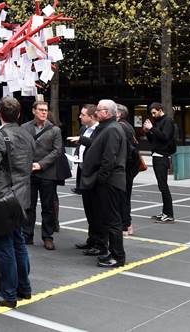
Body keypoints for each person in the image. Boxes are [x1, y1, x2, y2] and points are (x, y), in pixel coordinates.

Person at [0, 96, 33, 308]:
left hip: (4, 196)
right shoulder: (27, 135)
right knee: (18, 242)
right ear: (19, 115)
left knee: (5, 245)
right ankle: (24, 287)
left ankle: (8, 294)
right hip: (22, 195)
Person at [81, 100, 127, 268]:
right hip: (107, 181)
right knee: (108, 219)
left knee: (113, 220)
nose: (96, 113)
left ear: (107, 113)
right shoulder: (107, 128)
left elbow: (109, 159)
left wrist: (100, 179)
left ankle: (117, 256)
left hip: (110, 182)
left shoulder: (113, 129)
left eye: (99, 110)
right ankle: (112, 253)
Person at [21, 100, 62, 249]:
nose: (44, 112)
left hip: (47, 173)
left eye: (45, 110)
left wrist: (41, 164)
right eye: (41, 110)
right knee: (28, 206)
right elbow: (20, 147)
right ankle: (27, 235)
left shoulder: (54, 130)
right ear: (33, 111)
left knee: (48, 207)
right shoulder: (24, 128)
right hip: (29, 172)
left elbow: (57, 151)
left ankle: (47, 237)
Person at [71, 104, 102, 253]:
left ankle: (99, 243)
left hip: (94, 176)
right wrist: (77, 154)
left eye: (83, 115)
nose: (80, 117)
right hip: (83, 171)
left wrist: (81, 140)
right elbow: (81, 146)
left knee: (97, 210)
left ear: (91, 116)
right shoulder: (84, 130)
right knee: (88, 209)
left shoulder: (100, 130)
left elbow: (96, 146)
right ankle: (91, 240)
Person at [143, 102, 177, 223]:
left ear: (160, 110)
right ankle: (165, 212)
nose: (153, 115)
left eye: (154, 112)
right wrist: (148, 132)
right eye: (151, 113)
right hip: (157, 154)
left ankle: (169, 214)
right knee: (162, 186)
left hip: (162, 155)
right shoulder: (157, 122)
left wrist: (152, 128)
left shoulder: (167, 121)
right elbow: (154, 140)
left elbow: (165, 137)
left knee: (163, 186)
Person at [116, 104, 140, 235]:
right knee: (125, 196)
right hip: (130, 166)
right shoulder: (128, 126)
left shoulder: (120, 127)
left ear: (119, 114)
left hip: (125, 166)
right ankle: (126, 224)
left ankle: (125, 225)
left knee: (122, 197)